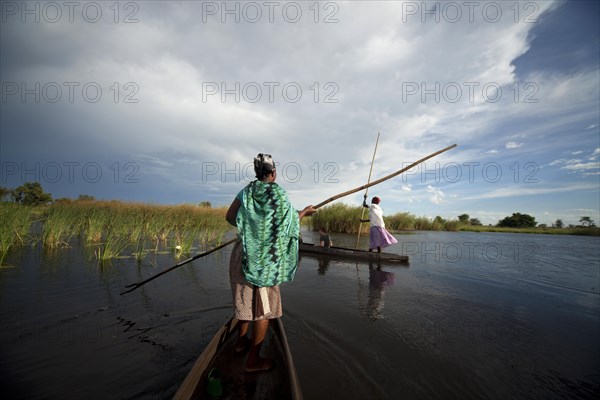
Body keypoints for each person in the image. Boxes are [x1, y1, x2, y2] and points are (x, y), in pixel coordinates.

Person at [226, 153, 315, 373]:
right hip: (266, 259)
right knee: (263, 310)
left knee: (244, 301)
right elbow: (288, 225)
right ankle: (253, 361)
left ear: (257, 173)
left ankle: (240, 344)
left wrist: (248, 229)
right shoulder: (279, 195)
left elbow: (230, 217)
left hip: (243, 253)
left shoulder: (246, 191)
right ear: (273, 173)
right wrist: (303, 212)